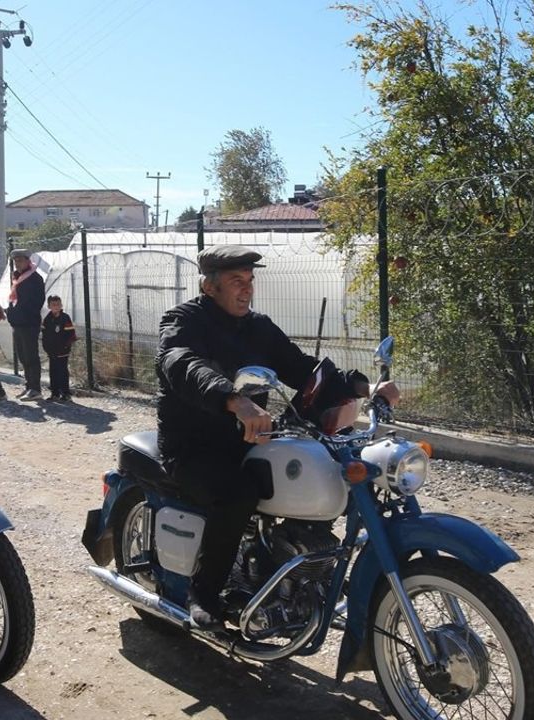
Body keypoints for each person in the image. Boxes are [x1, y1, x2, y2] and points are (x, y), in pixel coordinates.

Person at [156, 245, 400, 629]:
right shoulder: (184, 321)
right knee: (237, 493)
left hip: (253, 440)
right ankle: (202, 594)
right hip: (194, 445)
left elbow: (301, 368)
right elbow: (183, 364)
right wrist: (235, 401)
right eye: (237, 281)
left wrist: (366, 388)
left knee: (322, 475)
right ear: (209, 286)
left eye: (250, 281)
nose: (246, 290)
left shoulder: (258, 327)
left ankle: (296, 570)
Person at [7, 248, 45, 400]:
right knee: (22, 355)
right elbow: (14, 299)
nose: (17, 263)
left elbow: (37, 301)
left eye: (20, 260)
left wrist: (22, 313)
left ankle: (35, 389)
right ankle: (29, 386)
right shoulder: (17, 277)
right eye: (15, 261)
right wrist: (11, 313)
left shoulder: (34, 278)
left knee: (31, 356)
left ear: (27, 261)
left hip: (29, 323)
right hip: (18, 323)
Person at [41, 295, 77, 402]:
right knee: (53, 372)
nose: (56, 307)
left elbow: (71, 334)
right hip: (52, 352)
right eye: (53, 305)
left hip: (63, 351)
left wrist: (66, 346)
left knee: (63, 372)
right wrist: (46, 347)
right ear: (49, 306)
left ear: (61, 305)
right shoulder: (47, 319)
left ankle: (66, 393)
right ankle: (55, 393)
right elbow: (44, 334)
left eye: (58, 304)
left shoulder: (65, 318)